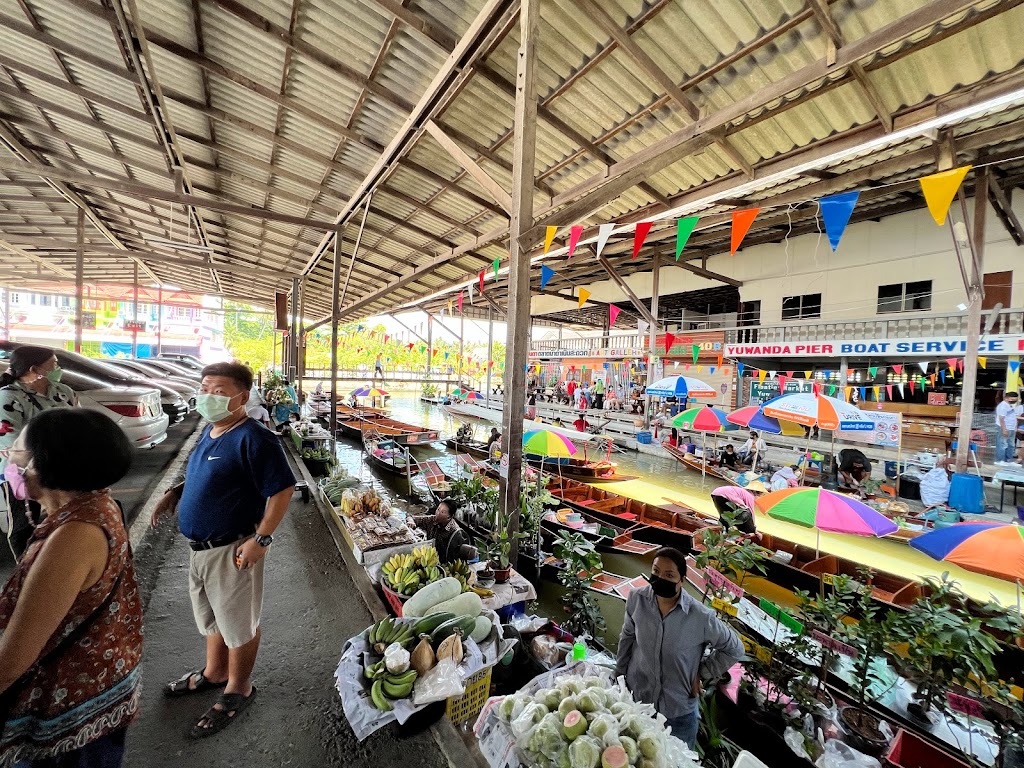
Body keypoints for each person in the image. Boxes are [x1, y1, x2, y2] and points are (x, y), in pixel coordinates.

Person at [151, 362, 295, 738]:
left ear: (242, 396)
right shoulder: (213, 430)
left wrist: (261, 539)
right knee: (213, 619)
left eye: (218, 390)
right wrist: (176, 493)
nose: (208, 396)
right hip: (199, 550)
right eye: (205, 387)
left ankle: (239, 688)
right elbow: (211, 472)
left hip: (232, 549)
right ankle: (215, 673)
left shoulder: (255, 437)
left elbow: (282, 489)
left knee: (239, 624)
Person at [0, 409, 140, 766]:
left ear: (43, 463)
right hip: (94, 694)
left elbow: (15, 655)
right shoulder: (97, 503)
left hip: (66, 719)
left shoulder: (74, 536)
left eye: (15, 450)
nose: (9, 458)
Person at [616, 548, 744, 749]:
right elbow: (627, 639)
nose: (659, 578)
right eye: (656, 572)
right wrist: (618, 678)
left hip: (677, 713)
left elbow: (735, 648)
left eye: (669, 575)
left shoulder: (700, 617)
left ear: (681, 580)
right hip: (637, 702)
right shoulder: (637, 599)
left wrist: (701, 673)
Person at [1, 345, 77, 558]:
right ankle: (28, 572)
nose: (57, 369)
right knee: (25, 527)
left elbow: (80, 427)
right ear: (34, 369)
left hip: (64, 472)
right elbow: (10, 441)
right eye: (53, 365)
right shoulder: (9, 397)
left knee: (63, 522)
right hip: (26, 474)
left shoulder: (64, 393)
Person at [409, 498, 470, 564]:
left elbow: (455, 557)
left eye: (442, 512)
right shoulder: (432, 520)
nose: (437, 513)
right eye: (438, 509)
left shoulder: (455, 533)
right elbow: (410, 516)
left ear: (449, 516)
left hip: (444, 563)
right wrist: (411, 521)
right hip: (429, 557)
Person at [995, 391, 1022, 466]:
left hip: (1011, 428)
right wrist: (1004, 429)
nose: (1014, 401)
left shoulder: (1009, 406)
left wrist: (1015, 427)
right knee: (1002, 444)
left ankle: (1008, 460)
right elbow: (1001, 419)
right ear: (1007, 398)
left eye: (1015, 399)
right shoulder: (1003, 406)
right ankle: (999, 460)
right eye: (1012, 399)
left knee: (1011, 445)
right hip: (1004, 427)